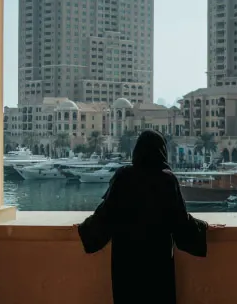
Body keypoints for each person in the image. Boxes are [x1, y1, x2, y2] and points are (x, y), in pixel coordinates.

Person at [77, 130, 224, 304]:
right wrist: (203, 227)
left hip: (126, 265)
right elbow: (181, 223)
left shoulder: (123, 177)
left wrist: (86, 227)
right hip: (157, 265)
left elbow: (105, 214)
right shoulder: (166, 180)